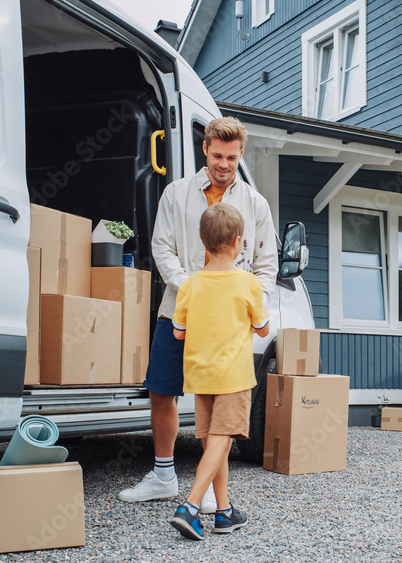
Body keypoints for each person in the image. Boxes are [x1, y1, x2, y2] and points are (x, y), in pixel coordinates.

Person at [117, 117, 277, 509]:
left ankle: (207, 490)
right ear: (204, 149)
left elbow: (266, 265)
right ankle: (163, 475)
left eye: (232, 157)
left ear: (241, 154)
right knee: (161, 390)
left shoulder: (255, 204)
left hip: (229, 325)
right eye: (218, 155)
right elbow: (162, 248)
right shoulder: (176, 193)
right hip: (179, 309)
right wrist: (192, 288)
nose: (224, 164)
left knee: (214, 404)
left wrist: (244, 299)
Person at [169, 202, 270, 540]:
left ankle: (224, 512)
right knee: (222, 440)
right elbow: (263, 329)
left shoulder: (190, 285)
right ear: (239, 242)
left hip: (200, 375)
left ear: (204, 242)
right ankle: (190, 506)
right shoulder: (248, 283)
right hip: (233, 376)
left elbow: (178, 332)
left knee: (215, 443)